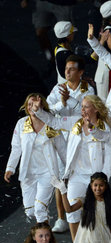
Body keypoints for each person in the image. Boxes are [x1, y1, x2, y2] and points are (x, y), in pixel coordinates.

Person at [33, 95, 111, 240]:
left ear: (96, 109)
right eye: (82, 106)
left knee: (97, 214)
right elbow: (54, 121)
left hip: (94, 178)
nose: (82, 110)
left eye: (86, 106)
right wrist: (38, 111)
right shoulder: (74, 122)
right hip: (76, 175)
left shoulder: (105, 129)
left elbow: (110, 157)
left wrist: (103, 179)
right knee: (72, 212)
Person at [6, 94, 66, 224]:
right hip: (28, 174)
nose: (31, 107)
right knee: (31, 212)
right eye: (29, 105)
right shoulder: (21, 124)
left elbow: (62, 149)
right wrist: (10, 168)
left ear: (41, 106)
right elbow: (16, 148)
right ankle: (43, 231)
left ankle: (44, 241)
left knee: (40, 209)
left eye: (34, 104)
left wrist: (69, 170)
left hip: (47, 174)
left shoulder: (52, 123)